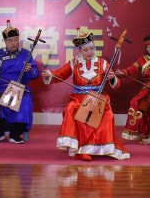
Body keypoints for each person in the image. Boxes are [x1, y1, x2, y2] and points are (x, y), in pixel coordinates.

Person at [41, 31, 129, 161]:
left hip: (98, 97)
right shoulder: (74, 63)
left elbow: (116, 84)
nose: (89, 52)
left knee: (108, 115)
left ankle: (102, 147)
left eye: (92, 48)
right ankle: (79, 148)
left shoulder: (102, 63)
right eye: (86, 50)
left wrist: (112, 78)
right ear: (80, 51)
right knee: (71, 109)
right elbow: (59, 74)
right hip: (79, 98)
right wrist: (49, 74)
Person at [0, 20, 40, 143]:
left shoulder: (26, 54)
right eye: (10, 40)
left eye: (16, 40)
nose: (14, 43)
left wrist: (30, 69)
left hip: (20, 87)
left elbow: (35, 73)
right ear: (5, 41)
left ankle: (15, 133)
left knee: (25, 101)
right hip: (2, 87)